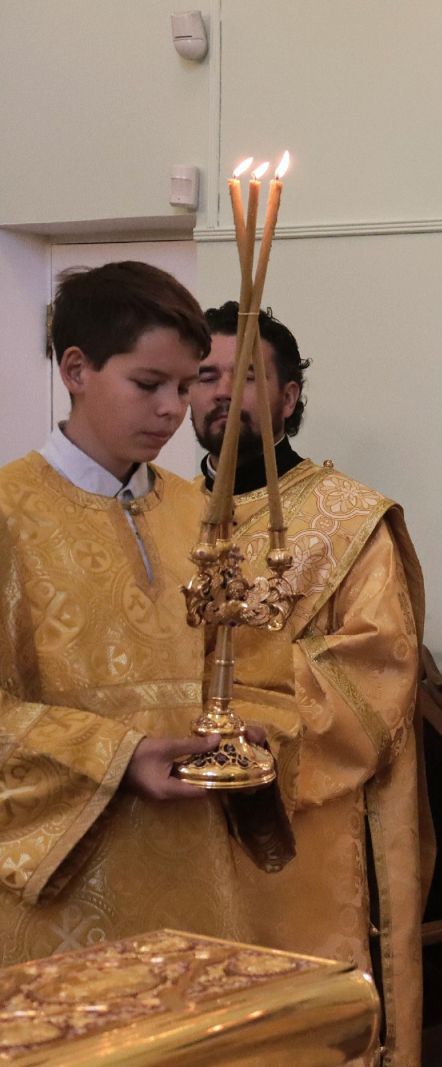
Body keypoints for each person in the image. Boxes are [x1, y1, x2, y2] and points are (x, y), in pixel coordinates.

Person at [0, 262, 280, 961]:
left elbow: (255, 667)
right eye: (148, 384)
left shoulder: (198, 512)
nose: (172, 411)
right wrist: (119, 756)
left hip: (199, 869)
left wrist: (253, 729)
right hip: (65, 883)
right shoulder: (8, 512)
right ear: (76, 369)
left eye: (185, 387)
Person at [190, 302, 431, 1066]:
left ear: (289, 395)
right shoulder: (165, 517)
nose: (220, 393)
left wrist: (233, 719)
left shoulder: (350, 518)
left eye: (244, 376)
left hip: (306, 826)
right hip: (180, 817)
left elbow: (379, 665)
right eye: (204, 376)